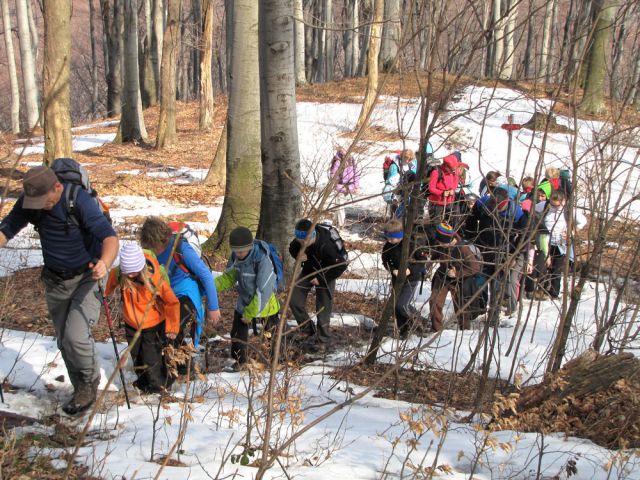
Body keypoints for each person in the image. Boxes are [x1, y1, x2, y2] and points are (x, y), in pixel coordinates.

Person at [0, 165, 118, 414]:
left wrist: (104, 264)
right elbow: (7, 228)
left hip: (88, 276)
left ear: (57, 187)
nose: (41, 205)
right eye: (36, 201)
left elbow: (110, 238)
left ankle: (89, 383)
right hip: (55, 279)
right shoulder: (31, 202)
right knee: (64, 340)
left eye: (45, 200)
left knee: (75, 334)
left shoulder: (78, 200)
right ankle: (80, 389)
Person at [105, 243, 179, 393]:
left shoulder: (155, 277)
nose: (131, 276)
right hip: (131, 323)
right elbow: (107, 287)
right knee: (137, 356)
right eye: (128, 273)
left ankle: (161, 385)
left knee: (151, 358)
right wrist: (102, 295)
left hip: (154, 324)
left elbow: (172, 302)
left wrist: (172, 326)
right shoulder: (119, 273)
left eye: (134, 272)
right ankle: (145, 383)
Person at [139, 217, 221, 351]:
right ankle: (177, 361)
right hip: (165, 296)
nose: (151, 251)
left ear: (161, 241)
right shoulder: (149, 253)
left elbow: (206, 275)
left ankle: (180, 366)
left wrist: (213, 307)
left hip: (186, 293)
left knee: (173, 329)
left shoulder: (180, 248)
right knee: (160, 331)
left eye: (153, 247)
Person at [215, 227, 280, 368]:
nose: (239, 254)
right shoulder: (236, 258)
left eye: (242, 251)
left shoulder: (262, 259)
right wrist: (209, 286)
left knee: (272, 335)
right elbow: (228, 277)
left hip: (266, 304)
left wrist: (250, 313)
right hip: (244, 301)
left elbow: (263, 290)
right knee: (237, 333)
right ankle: (240, 362)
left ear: (250, 247)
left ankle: (275, 361)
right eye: (236, 251)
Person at [464, 187, 530, 316]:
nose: (494, 208)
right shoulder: (482, 204)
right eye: (493, 204)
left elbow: (524, 234)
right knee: (480, 279)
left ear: (505, 202)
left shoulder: (515, 212)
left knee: (497, 284)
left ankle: (494, 314)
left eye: (498, 206)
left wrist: (514, 253)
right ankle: (479, 308)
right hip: (482, 248)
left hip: (503, 251)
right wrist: (470, 238)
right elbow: (471, 221)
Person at [289, 219, 348, 351]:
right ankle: (308, 330)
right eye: (300, 240)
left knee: (323, 306)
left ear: (313, 235)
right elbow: (292, 248)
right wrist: (298, 255)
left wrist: (321, 279)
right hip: (309, 270)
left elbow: (341, 265)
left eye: (305, 241)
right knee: (294, 299)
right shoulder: (299, 240)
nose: (302, 243)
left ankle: (324, 339)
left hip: (327, 272)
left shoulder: (327, 245)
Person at [428, 223, 483, 331]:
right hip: (443, 275)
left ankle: (465, 330)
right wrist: (430, 260)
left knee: (461, 306)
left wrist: (457, 273)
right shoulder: (442, 243)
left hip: (459, 279)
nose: (439, 244)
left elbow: (475, 267)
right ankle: (436, 329)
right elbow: (438, 252)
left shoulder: (463, 249)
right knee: (434, 301)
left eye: (441, 242)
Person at [380, 219, 429, 338]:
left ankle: (419, 322)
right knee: (396, 306)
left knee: (402, 305)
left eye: (392, 238)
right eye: (388, 238)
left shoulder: (411, 245)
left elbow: (422, 262)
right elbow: (385, 261)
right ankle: (404, 330)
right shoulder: (388, 246)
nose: (389, 241)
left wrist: (410, 270)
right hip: (396, 279)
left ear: (400, 236)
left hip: (411, 279)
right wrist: (392, 270)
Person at [329, 146, 360, 227]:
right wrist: (338, 186)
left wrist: (355, 186)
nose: (345, 154)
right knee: (340, 205)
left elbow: (356, 173)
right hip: (340, 186)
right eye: (343, 152)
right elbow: (333, 176)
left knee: (339, 205)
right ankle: (341, 224)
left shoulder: (352, 161)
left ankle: (335, 221)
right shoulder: (338, 162)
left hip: (349, 186)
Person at [382, 149, 417, 217]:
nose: (409, 161)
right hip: (394, 189)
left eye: (410, 159)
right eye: (407, 158)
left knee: (406, 203)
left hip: (405, 188)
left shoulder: (410, 165)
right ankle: (395, 219)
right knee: (396, 205)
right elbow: (392, 180)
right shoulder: (394, 166)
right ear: (403, 157)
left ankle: (400, 218)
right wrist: (398, 188)